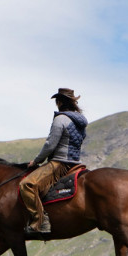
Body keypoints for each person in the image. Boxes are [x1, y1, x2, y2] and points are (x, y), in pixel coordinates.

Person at [21, 88, 88, 235]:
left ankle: (40, 222)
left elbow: (50, 145)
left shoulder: (60, 119)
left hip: (60, 163)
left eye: (57, 101)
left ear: (60, 102)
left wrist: (36, 161)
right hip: (75, 163)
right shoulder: (80, 121)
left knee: (27, 185)